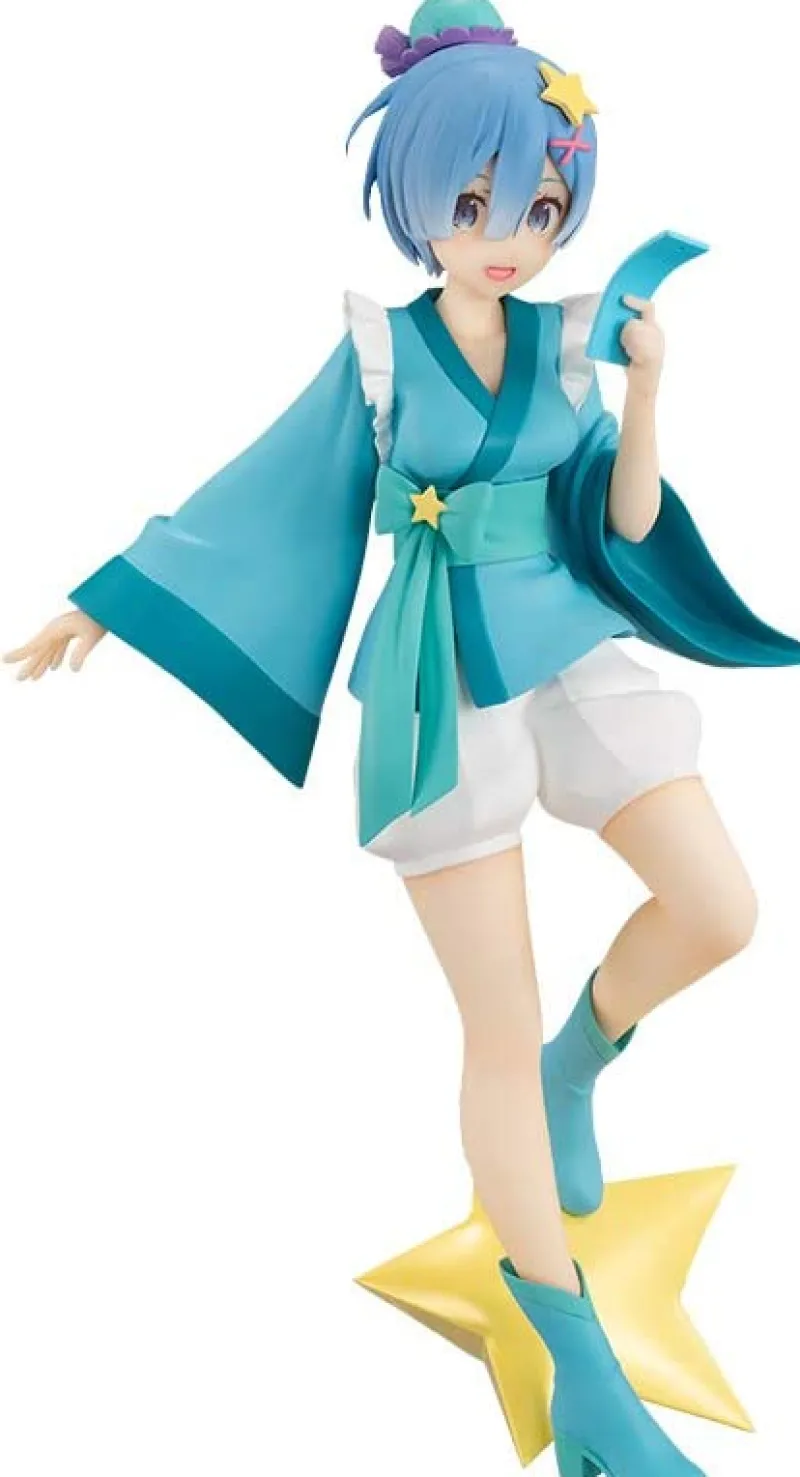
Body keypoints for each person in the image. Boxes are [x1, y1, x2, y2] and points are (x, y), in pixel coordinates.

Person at [6, 4, 800, 1472]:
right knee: (490, 1025)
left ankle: (582, 1062)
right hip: (440, 683)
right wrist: (107, 601)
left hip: (567, 650)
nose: (508, 236)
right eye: (476, 201)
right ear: (418, 195)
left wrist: (651, 393)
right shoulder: (382, 355)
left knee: (722, 907)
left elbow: (626, 522)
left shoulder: (575, 342)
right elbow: (269, 493)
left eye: (539, 207)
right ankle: (583, 1377)